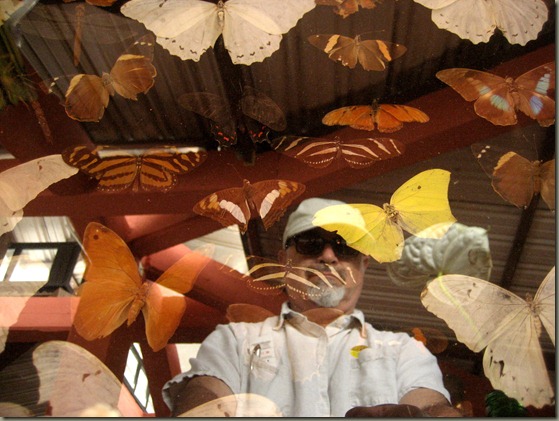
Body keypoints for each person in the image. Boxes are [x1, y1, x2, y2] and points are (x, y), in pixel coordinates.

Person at [163, 198, 461, 417]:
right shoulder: (235, 340)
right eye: (310, 243)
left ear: (363, 264)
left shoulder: (404, 350)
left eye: (346, 246)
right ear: (284, 260)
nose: (329, 256)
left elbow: (432, 405)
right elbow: (205, 394)